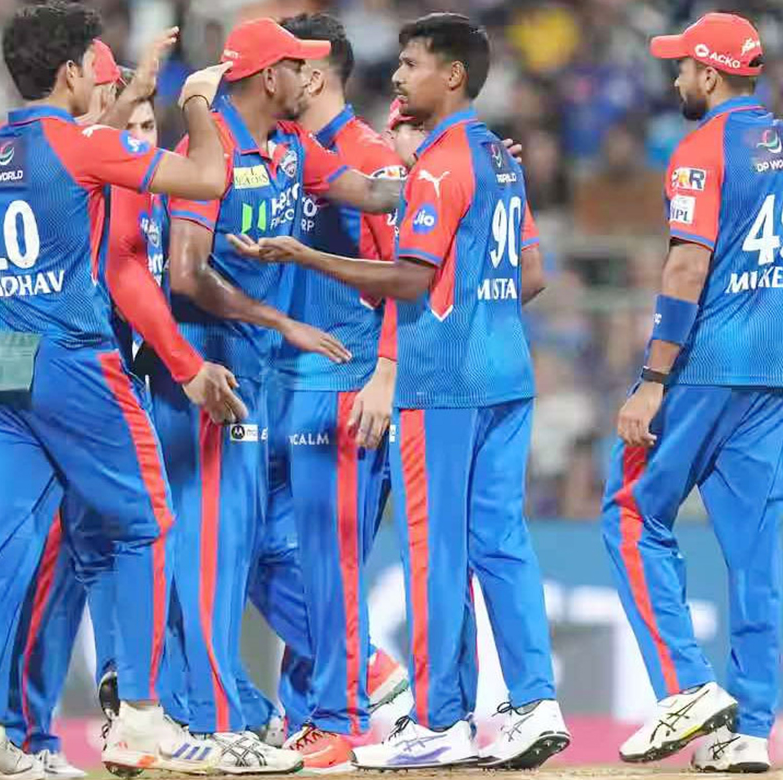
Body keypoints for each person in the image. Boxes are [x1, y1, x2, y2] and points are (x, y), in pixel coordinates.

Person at [226, 12, 569, 771]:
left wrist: (311, 262)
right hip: (502, 374)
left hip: (434, 382)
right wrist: (472, 313)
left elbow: (409, 279)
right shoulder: (496, 156)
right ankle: (533, 701)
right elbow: (530, 274)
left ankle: (439, 718)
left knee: (432, 551)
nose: (400, 76)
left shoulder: (435, 163)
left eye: (412, 64)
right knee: (498, 542)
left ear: (452, 75)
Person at [0, 4, 244, 778]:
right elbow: (206, 176)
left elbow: (64, 155)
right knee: (147, 522)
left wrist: (128, 92)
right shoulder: (89, 146)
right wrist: (196, 103)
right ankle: (140, 719)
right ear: (72, 72)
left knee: (1, 543)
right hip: (73, 360)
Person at [152, 16, 404, 772]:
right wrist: (279, 320)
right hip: (210, 366)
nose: (309, 77)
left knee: (241, 548)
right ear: (271, 77)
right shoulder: (211, 149)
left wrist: (455, 177)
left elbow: (370, 193)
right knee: (214, 547)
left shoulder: (294, 147)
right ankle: (210, 719)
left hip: (263, 371)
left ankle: (239, 711)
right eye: (299, 66)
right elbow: (185, 273)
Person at [599, 14, 783, 773]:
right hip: (778, 370)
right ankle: (751, 731)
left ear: (710, 72)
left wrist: (652, 379)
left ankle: (684, 685)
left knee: (631, 513)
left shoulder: (701, 148)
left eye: (683, 66)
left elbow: (688, 267)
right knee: (755, 556)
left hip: (705, 366)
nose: (676, 79)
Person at [255, 12, 407, 771]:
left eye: (280, 66)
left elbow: (410, 277)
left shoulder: (368, 156)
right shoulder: (278, 154)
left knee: (327, 558)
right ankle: (343, 685)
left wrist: (386, 373)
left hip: (346, 382)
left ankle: (340, 712)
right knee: (256, 545)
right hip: (274, 383)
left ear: (309, 76)